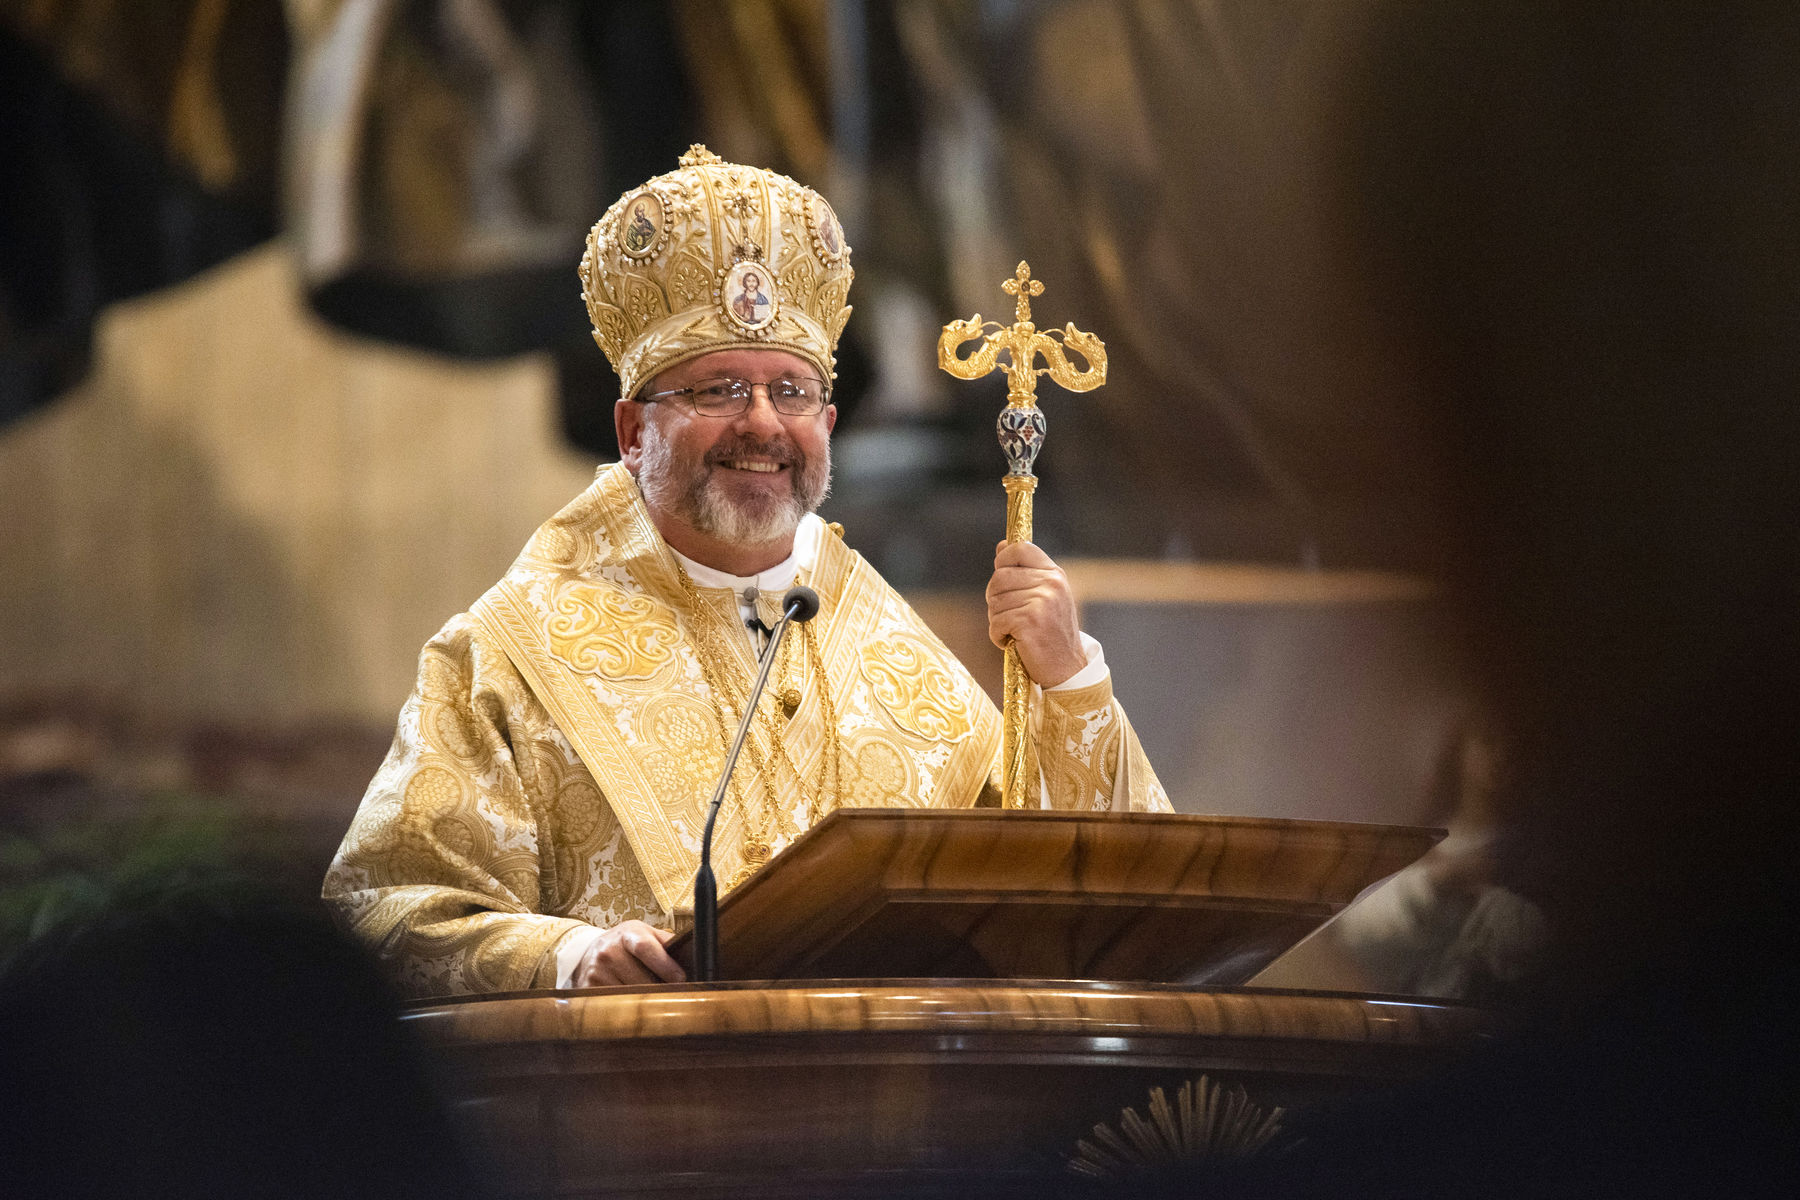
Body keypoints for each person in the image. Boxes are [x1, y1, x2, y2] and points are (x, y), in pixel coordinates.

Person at [323, 146, 1169, 999]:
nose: (762, 425)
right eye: (718, 389)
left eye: (792, 392)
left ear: (829, 423)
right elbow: (383, 914)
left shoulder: (908, 671)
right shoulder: (506, 658)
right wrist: (568, 960)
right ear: (630, 431)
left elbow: (1098, 914)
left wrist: (1068, 684)